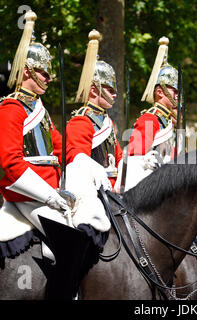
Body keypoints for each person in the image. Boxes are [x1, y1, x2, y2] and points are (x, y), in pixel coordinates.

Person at [0, 11, 72, 253]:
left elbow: (62, 149)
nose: (49, 78)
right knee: (67, 244)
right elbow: (12, 163)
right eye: (44, 73)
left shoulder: (39, 109)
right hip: (27, 195)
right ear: (27, 71)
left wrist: (84, 165)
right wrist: (48, 196)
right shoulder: (11, 109)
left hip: (53, 190)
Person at [65, 29, 118, 234]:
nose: (115, 94)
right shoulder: (81, 121)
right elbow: (78, 164)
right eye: (110, 89)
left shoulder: (107, 122)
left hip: (114, 195)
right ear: (95, 90)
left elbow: (118, 157)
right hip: (94, 198)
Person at [114, 36, 179, 192]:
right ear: (159, 92)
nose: (177, 95)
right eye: (174, 90)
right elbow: (136, 159)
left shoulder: (168, 121)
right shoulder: (150, 119)